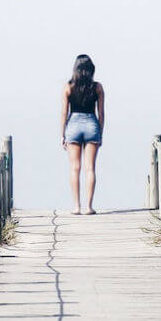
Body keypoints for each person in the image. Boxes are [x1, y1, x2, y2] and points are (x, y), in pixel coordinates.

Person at [61, 54, 105, 215]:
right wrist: (100, 133)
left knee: (74, 168)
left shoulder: (68, 87)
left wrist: (62, 134)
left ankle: (76, 206)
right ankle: (89, 207)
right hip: (91, 123)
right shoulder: (97, 87)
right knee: (90, 168)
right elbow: (101, 113)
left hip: (73, 124)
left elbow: (64, 112)